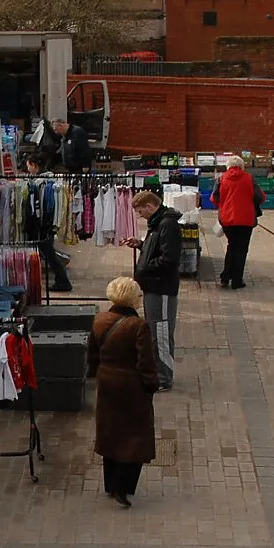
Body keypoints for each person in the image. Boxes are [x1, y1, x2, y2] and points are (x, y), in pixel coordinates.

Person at [87, 277, 160, 508]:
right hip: (132, 388)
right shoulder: (138, 326)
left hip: (107, 385)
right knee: (134, 437)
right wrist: (151, 385)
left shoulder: (100, 319)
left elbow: (92, 355)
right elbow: (146, 362)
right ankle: (123, 486)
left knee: (111, 433)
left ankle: (110, 484)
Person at [122, 191, 182, 391]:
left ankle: (164, 378)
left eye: (141, 212)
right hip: (152, 286)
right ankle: (157, 371)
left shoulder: (167, 225)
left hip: (161, 288)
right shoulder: (157, 224)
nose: (140, 216)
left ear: (150, 206)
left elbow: (169, 259)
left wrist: (146, 267)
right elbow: (156, 249)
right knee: (154, 331)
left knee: (161, 332)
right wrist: (141, 245)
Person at [213, 155, 265, 290]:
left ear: (228, 166)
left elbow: (214, 198)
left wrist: (224, 205)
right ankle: (237, 280)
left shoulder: (221, 178)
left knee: (231, 246)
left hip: (227, 219)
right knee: (241, 250)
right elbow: (260, 197)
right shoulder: (249, 178)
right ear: (242, 166)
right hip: (246, 219)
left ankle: (225, 277)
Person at [25, 156, 73, 292]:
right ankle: (62, 280)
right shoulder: (50, 180)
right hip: (48, 224)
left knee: (50, 254)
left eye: (29, 166)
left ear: (34, 166)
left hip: (43, 225)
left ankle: (63, 281)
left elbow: (44, 206)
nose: (28, 169)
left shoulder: (40, 184)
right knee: (49, 253)